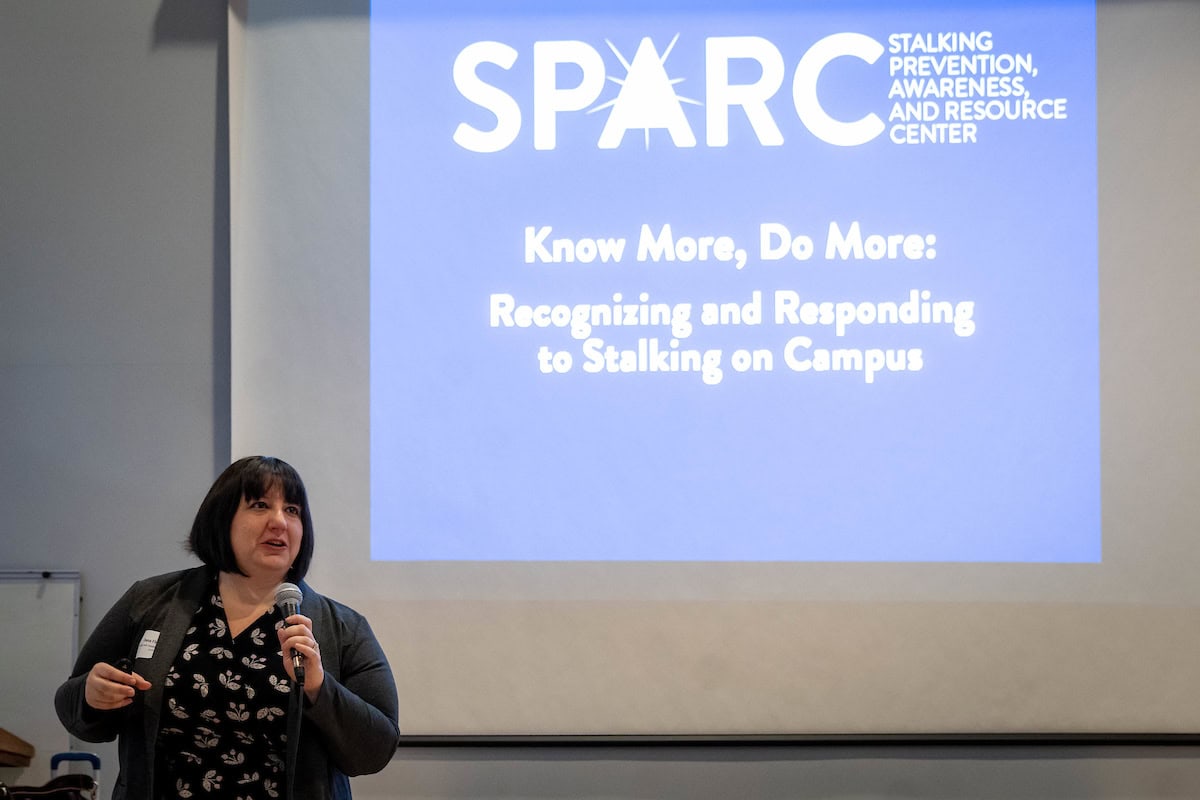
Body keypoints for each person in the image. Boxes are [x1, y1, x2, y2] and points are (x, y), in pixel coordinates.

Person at [55, 456, 400, 800]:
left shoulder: (344, 628)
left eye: (293, 510)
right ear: (221, 519)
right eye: (260, 505)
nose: (279, 521)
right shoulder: (150, 601)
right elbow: (72, 703)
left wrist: (319, 689)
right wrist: (91, 694)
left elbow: (376, 749)